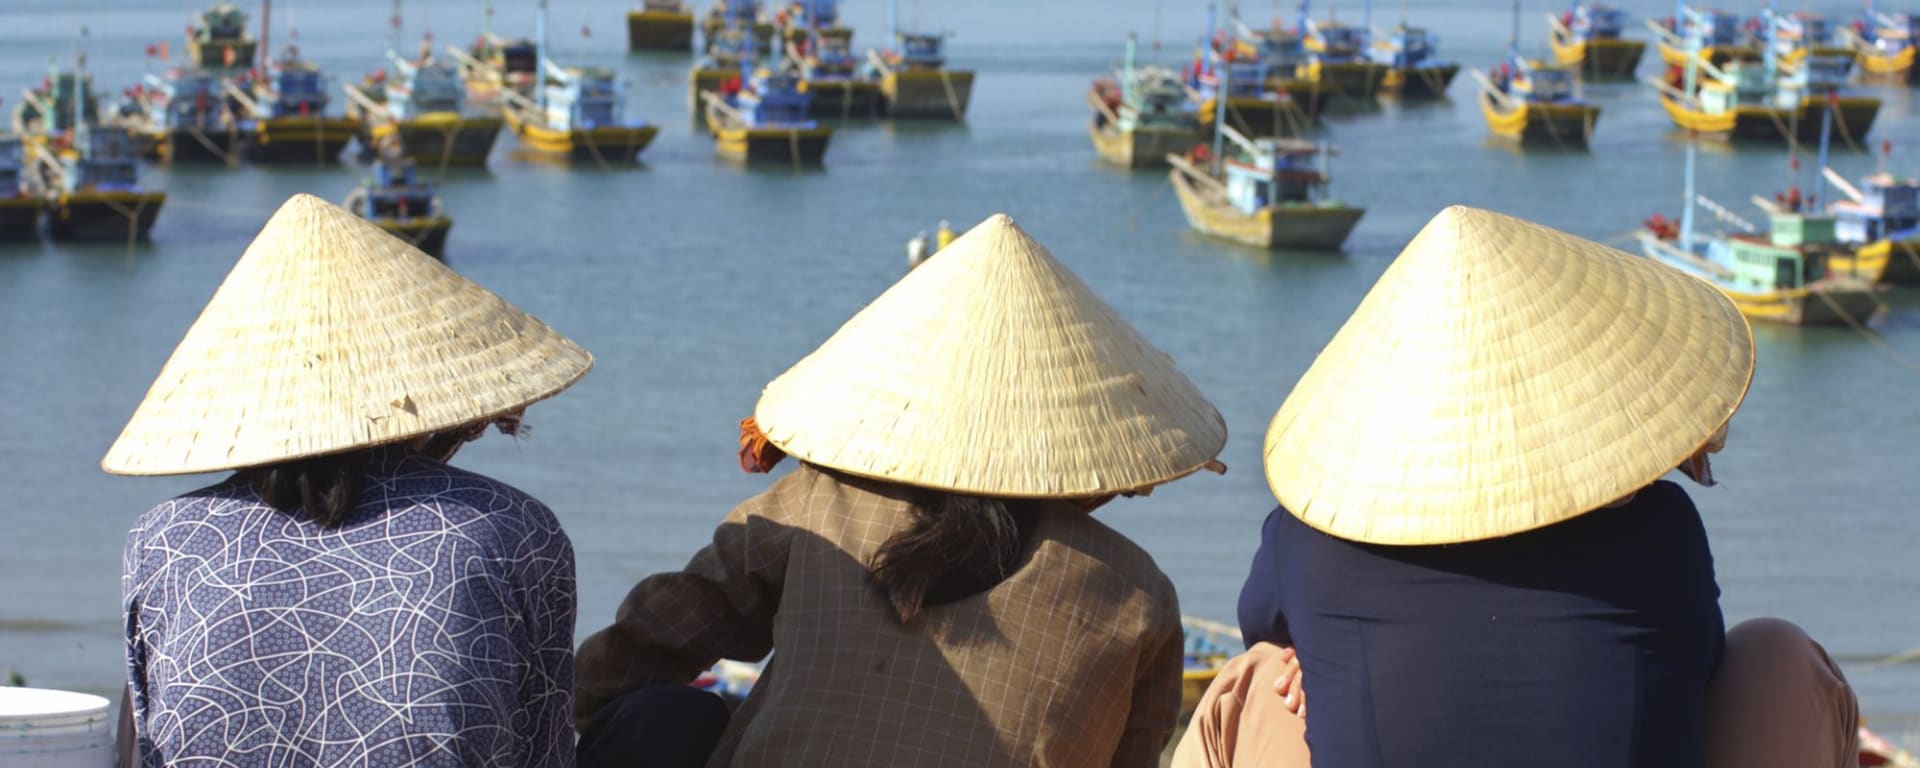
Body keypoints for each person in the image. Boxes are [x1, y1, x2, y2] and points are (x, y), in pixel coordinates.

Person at [1171, 206, 1859, 768]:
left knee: (1257, 678)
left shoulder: (1312, 538)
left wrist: (1317, 654)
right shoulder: (1661, 530)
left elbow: (1264, 623)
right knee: (1778, 653)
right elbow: (1695, 661)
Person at [574, 214, 1229, 768]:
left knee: (667, 715)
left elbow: (656, 633)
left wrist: (565, 711)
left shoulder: (817, 506)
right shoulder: (1139, 592)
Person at [107, 194, 594, 767]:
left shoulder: (163, 539)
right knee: (669, 717)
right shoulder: (507, 528)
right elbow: (541, 747)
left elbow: (143, 740)